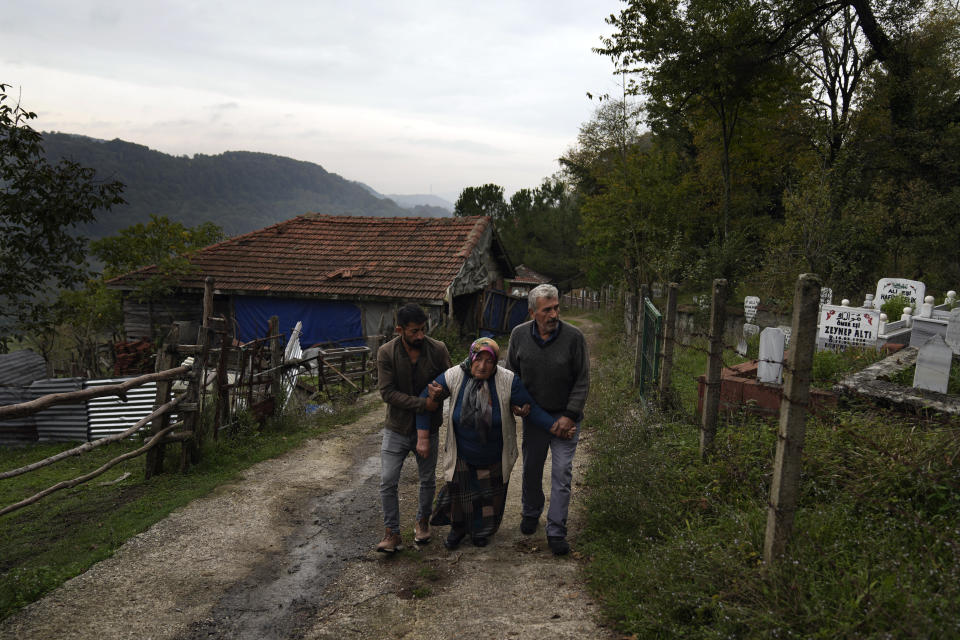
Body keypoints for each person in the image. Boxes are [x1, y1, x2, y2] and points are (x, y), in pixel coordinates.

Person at [416, 337, 569, 549]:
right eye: (478, 359)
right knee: (461, 496)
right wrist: (422, 437)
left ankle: (481, 531)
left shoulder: (507, 380)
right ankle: (458, 529)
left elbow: (529, 407)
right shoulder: (454, 375)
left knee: (489, 500)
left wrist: (554, 427)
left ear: (496, 362)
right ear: (471, 358)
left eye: (489, 361)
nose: (483, 366)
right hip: (463, 452)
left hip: (494, 454)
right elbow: (425, 398)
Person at [506, 284, 589, 556]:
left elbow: (582, 380)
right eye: (547, 310)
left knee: (562, 472)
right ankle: (531, 512)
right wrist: (516, 403)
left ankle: (556, 530)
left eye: (556, 308)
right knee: (531, 467)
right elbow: (510, 376)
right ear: (532, 312)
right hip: (535, 418)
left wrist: (569, 415)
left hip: (567, 418)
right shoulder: (518, 335)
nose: (554, 314)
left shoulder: (574, 337)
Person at [375, 303, 451, 553]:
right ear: (400, 330)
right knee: (387, 481)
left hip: (429, 428)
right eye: (414, 331)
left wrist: (440, 394)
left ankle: (422, 522)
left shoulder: (438, 349)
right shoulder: (386, 353)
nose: (420, 335)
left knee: (427, 479)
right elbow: (387, 393)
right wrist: (423, 403)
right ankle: (392, 532)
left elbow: (451, 382)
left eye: (423, 330)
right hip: (396, 428)